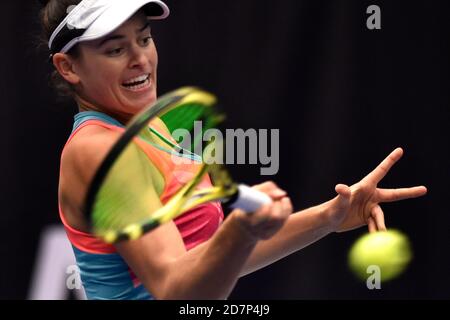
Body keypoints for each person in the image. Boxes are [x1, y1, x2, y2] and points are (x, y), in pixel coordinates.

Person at [41, 0, 427, 300]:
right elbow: (175, 288)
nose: (140, 58)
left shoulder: (152, 125)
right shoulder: (99, 151)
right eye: (114, 50)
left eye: (144, 39)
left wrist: (329, 216)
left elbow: (208, 261)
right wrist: (238, 232)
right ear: (68, 67)